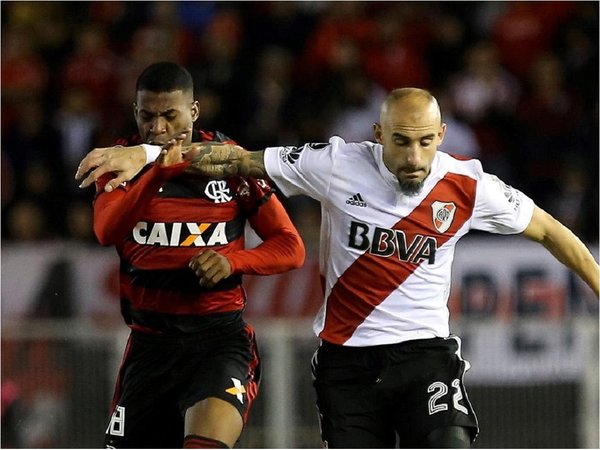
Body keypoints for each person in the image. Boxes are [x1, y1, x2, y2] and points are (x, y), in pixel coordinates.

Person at [76, 87, 599, 448]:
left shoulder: (471, 186)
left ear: (441, 135)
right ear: (378, 134)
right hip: (346, 364)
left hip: (426, 357)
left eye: (424, 141)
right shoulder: (336, 162)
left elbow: (555, 233)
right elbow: (236, 160)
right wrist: (146, 153)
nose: (413, 156)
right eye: (400, 141)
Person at [80, 62, 305, 449]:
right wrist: (157, 173)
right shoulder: (120, 160)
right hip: (151, 347)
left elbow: (291, 246)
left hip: (218, 340)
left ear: (194, 111)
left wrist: (233, 261)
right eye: (148, 116)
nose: (159, 127)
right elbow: (106, 231)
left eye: (171, 115)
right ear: (135, 112)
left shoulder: (229, 160)